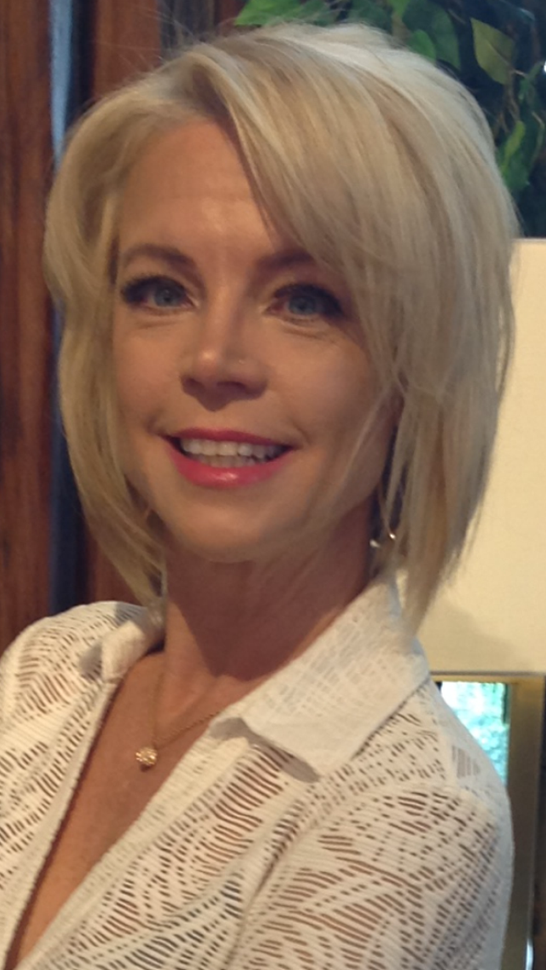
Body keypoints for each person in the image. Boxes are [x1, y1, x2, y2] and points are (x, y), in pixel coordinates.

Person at [0, 21, 516, 970]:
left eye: (306, 300)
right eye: (161, 290)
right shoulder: (48, 673)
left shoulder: (414, 809)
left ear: (415, 371)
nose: (213, 359)